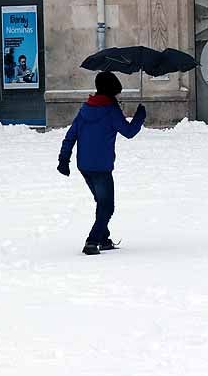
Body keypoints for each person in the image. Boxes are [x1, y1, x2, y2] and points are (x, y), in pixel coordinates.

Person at [58, 71, 147, 255]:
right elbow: (129, 132)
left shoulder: (85, 109)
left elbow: (70, 136)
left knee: (101, 201)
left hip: (84, 166)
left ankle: (104, 239)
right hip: (102, 167)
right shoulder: (111, 111)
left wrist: (63, 160)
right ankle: (92, 241)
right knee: (107, 206)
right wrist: (140, 115)